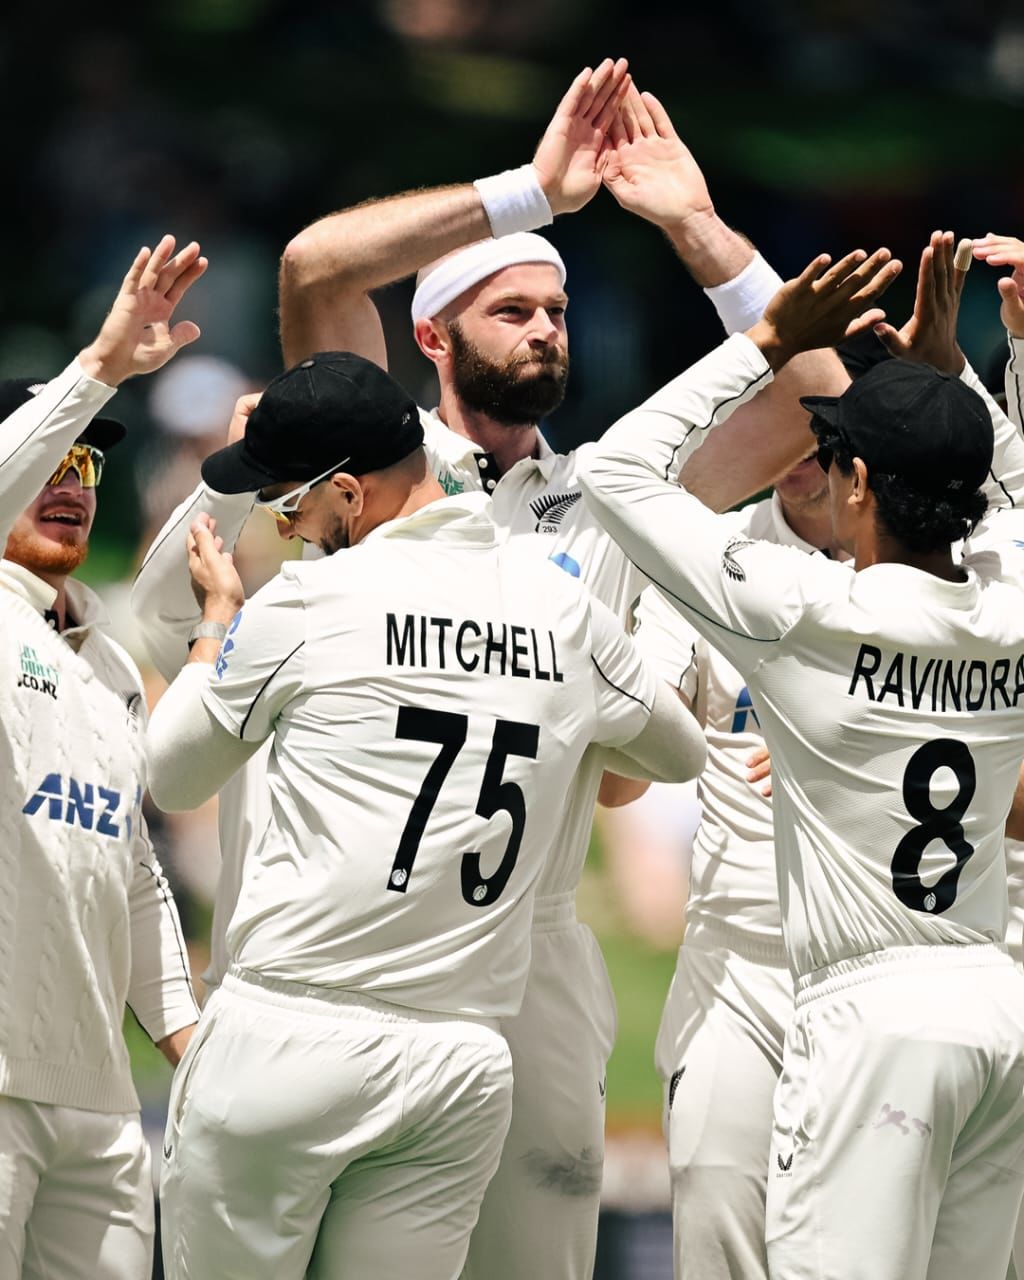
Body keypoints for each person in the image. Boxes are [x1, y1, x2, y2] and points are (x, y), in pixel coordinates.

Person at [132, 66, 852, 1278]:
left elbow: (814, 393)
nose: (544, 327)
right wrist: (531, 195)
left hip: (527, 950)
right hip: (324, 942)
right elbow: (317, 264)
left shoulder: (617, 492)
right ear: (433, 333)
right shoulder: (367, 462)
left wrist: (689, 221)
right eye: (512, 308)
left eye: (557, 312)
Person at [144, 349, 707, 1279]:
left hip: (289, 1033)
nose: (288, 525)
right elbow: (676, 752)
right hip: (460, 1060)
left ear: (352, 499)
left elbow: (172, 775)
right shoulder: (562, 608)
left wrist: (216, 622)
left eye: (290, 502)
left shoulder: (306, 602)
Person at [580, 224, 1024, 1279]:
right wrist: (966, 371)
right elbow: (1009, 491)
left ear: (858, 485)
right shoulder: (1010, 606)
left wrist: (766, 339)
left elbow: (616, 471)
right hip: (994, 1004)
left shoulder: (803, 612)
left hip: (861, 1012)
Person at [0, 236, 205, 1280]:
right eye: (52, 456)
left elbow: (130, 875)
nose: (73, 479)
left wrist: (190, 1048)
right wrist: (101, 370)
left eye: (89, 461)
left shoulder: (109, 661)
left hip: (98, 1098)